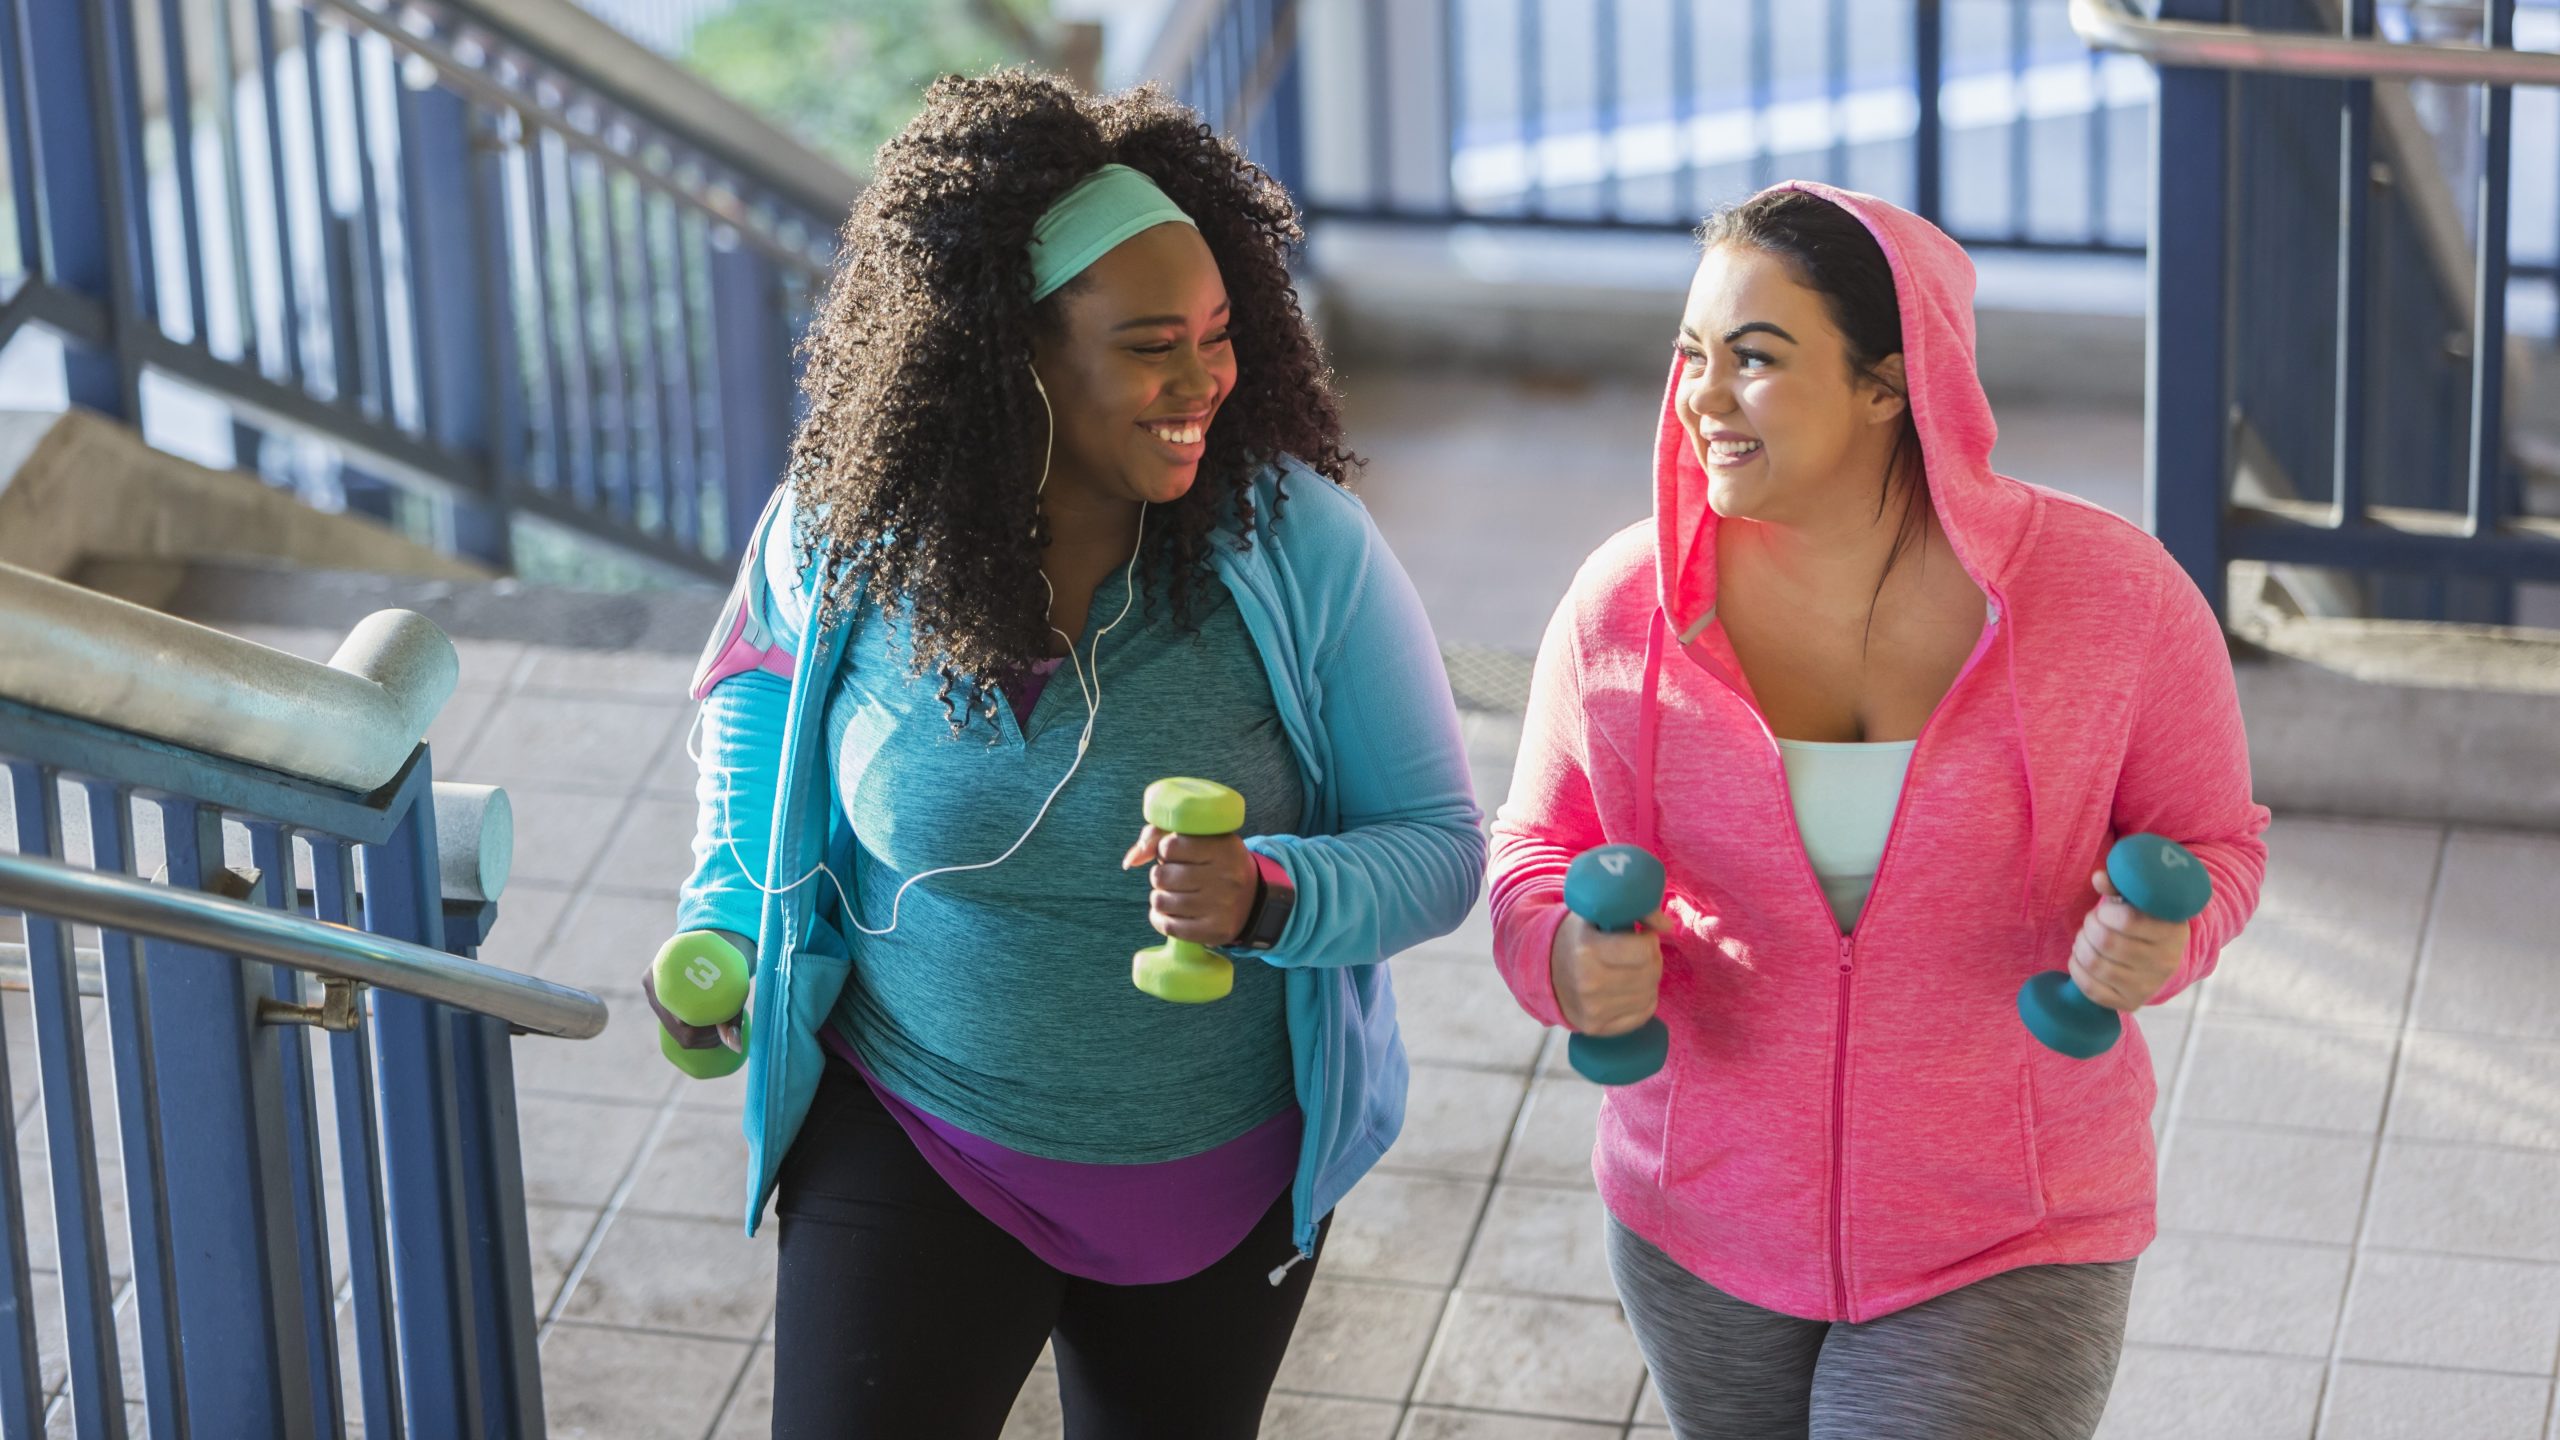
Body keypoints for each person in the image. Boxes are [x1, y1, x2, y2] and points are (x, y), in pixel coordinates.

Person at [659, 70, 1483, 1437]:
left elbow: (1443, 850)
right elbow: (755, 691)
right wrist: (725, 918)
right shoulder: (855, 525)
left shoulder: (1302, 549)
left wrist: (1270, 895)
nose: (1206, 380)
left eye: (1221, 334)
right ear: (1012, 353)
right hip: (917, 1131)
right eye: (1154, 343)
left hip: (1216, 1181)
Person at [1487, 181, 2271, 1439]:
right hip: (1700, 1219)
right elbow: (1534, 852)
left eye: (1754, 358)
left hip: (2010, 1227)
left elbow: (2219, 843)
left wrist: (2167, 938)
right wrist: (1561, 957)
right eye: (1691, 355)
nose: (1700, 397)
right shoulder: (1620, 607)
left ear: (1889, 385)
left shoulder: (2113, 603)